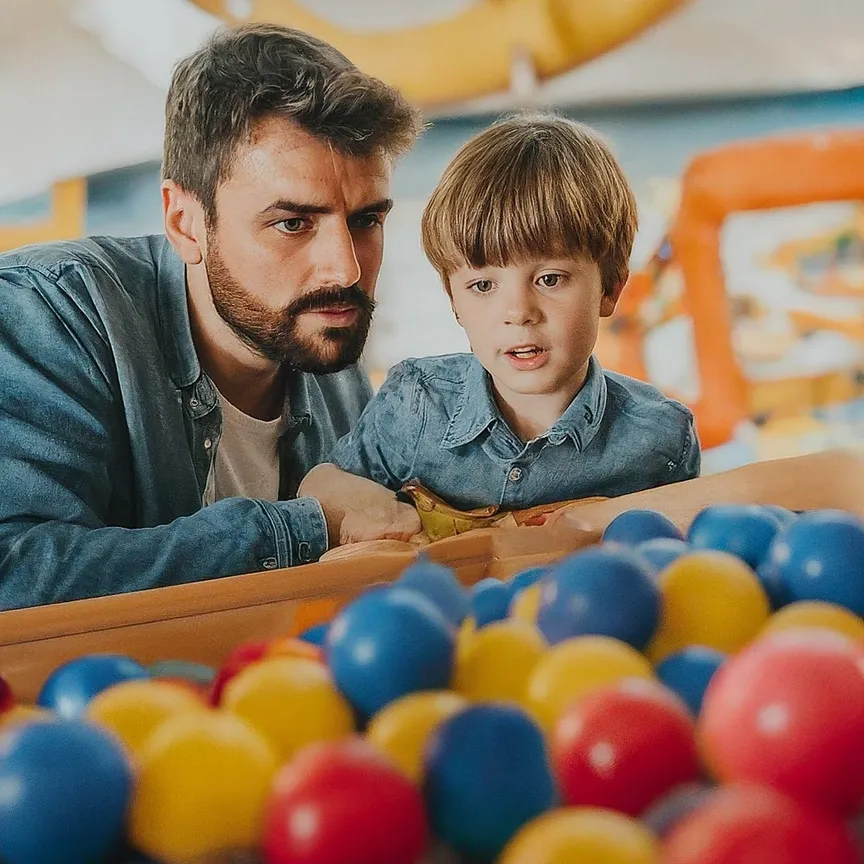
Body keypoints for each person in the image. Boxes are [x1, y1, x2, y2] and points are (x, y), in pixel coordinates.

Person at [0, 23, 425, 610]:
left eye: (365, 221)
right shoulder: (53, 311)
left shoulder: (331, 361)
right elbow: (15, 574)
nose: (346, 271)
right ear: (184, 222)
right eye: (293, 224)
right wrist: (308, 529)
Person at [300, 114, 701, 519]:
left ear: (610, 288)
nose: (518, 313)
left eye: (550, 279)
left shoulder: (662, 439)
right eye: (484, 286)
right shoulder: (414, 404)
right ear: (454, 300)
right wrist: (371, 508)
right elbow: (322, 484)